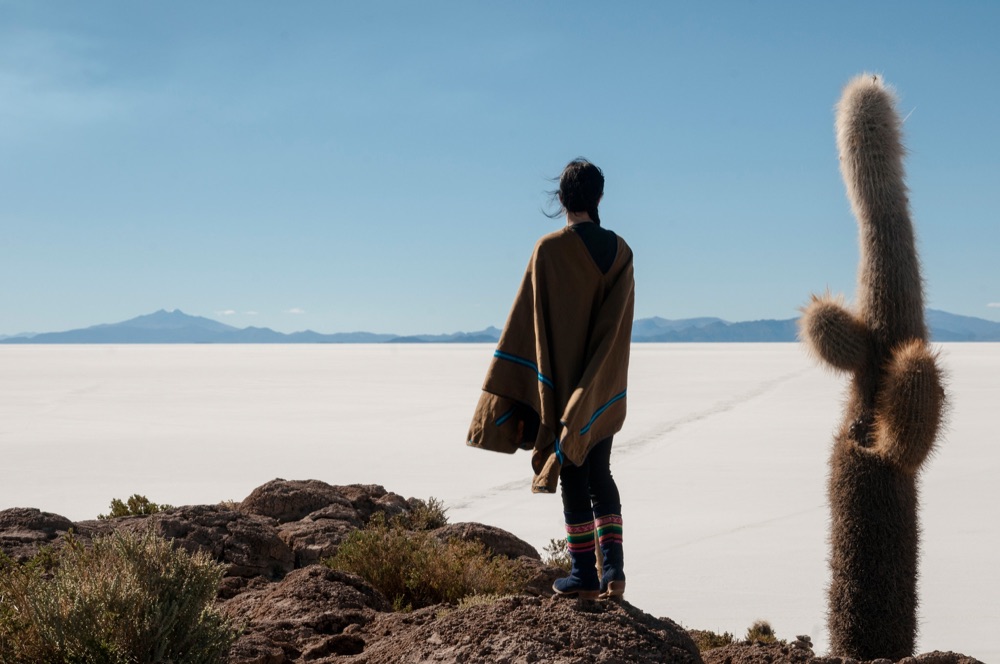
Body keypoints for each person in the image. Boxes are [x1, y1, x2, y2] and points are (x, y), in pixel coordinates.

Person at [466, 158, 635, 600]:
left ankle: (582, 574)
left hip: (559, 386)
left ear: (561, 199)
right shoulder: (621, 253)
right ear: (599, 198)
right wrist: (598, 383)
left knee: (574, 474)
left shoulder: (547, 251)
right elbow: (616, 328)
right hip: (601, 386)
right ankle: (613, 572)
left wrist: (519, 398)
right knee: (600, 471)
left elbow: (527, 327)